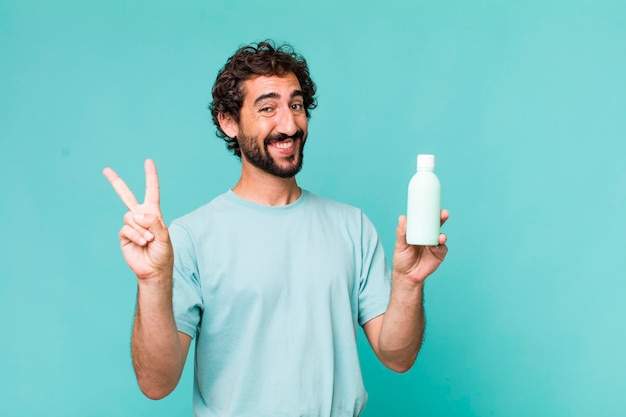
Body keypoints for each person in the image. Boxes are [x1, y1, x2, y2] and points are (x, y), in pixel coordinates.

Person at [103, 40, 449, 417]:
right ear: (228, 121)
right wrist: (152, 281)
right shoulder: (190, 236)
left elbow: (397, 357)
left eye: (296, 105)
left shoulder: (353, 226)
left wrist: (410, 284)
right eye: (267, 107)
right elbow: (157, 384)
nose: (289, 124)